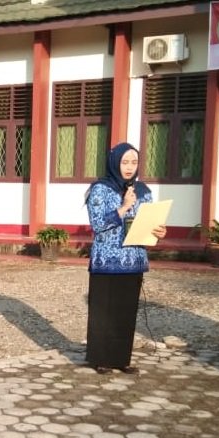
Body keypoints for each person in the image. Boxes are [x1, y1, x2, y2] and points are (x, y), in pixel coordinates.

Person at [85, 142, 167, 375]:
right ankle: (101, 358)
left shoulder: (143, 191)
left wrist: (159, 231)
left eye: (134, 162)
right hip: (106, 262)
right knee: (104, 312)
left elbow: (148, 222)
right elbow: (98, 224)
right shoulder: (100, 189)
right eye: (125, 162)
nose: (130, 167)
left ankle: (122, 359)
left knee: (126, 313)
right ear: (115, 163)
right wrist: (123, 207)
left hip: (133, 260)